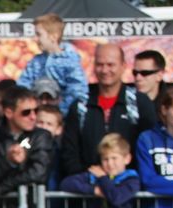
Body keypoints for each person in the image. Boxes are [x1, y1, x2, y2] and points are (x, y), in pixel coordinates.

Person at [62, 44, 157, 178]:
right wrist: (89, 176)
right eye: (100, 64)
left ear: (123, 66)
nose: (105, 70)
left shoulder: (139, 103)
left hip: (131, 190)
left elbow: (151, 147)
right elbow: (69, 151)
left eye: (110, 64)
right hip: (89, 191)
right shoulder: (80, 105)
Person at [18, 14, 88, 116]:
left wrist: (59, 113)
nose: (35, 39)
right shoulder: (35, 62)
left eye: (39, 34)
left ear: (54, 36)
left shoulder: (70, 62)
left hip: (63, 119)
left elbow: (77, 93)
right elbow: (23, 87)